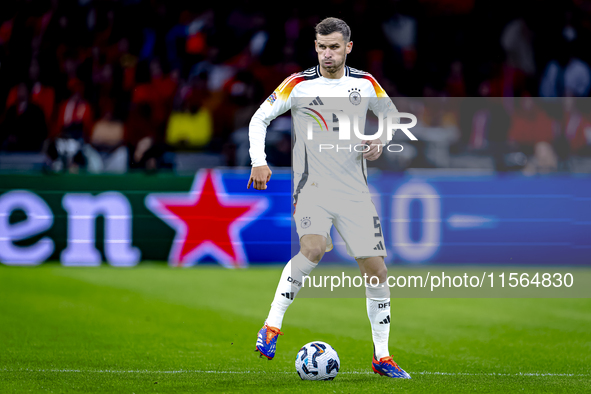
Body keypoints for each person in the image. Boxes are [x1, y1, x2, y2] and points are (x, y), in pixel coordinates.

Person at [247, 17, 410, 379]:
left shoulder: (365, 83)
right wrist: (259, 161)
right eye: (321, 47)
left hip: (354, 192)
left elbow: (391, 115)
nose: (327, 54)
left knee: (377, 270)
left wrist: (380, 139)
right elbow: (259, 118)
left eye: (334, 47)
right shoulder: (299, 84)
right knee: (314, 249)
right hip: (312, 189)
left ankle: (382, 357)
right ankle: (272, 326)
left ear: (348, 47)